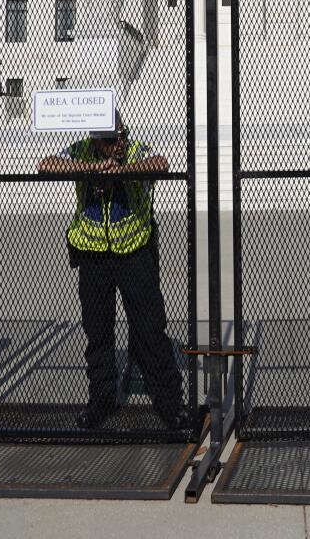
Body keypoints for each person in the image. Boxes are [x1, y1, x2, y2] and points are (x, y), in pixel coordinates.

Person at [38, 114, 188, 431]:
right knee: (98, 333)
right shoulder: (82, 152)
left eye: (121, 136)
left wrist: (121, 172)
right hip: (93, 255)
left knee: (150, 330)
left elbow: (160, 163)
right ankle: (101, 401)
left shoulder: (134, 152)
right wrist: (93, 170)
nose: (117, 144)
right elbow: (46, 164)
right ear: (95, 140)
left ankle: (170, 405)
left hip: (133, 252)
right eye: (109, 140)